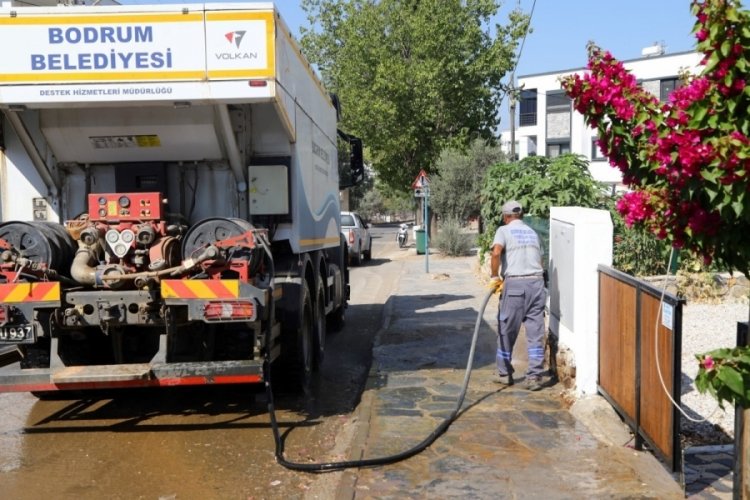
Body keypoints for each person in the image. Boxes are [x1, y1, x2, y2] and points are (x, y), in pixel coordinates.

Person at [489, 200, 547, 391]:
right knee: (535, 333)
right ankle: (535, 377)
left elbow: (496, 252)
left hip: (515, 285)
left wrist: (494, 276)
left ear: (506, 217)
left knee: (507, 329)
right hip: (537, 284)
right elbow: (541, 259)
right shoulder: (532, 232)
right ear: (521, 215)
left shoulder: (503, 231)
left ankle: (504, 374)